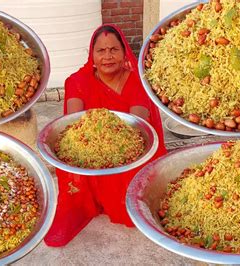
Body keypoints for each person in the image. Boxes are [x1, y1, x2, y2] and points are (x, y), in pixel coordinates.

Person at [44, 24, 167, 247]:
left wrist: (112, 145)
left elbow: (138, 123)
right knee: (76, 159)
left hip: (124, 154)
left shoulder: (138, 81)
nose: (108, 57)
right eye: (101, 51)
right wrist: (96, 145)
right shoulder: (77, 82)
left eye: (114, 50)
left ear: (124, 53)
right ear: (92, 55)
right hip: (89, 151)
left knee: (131, 212)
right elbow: (74, 122)